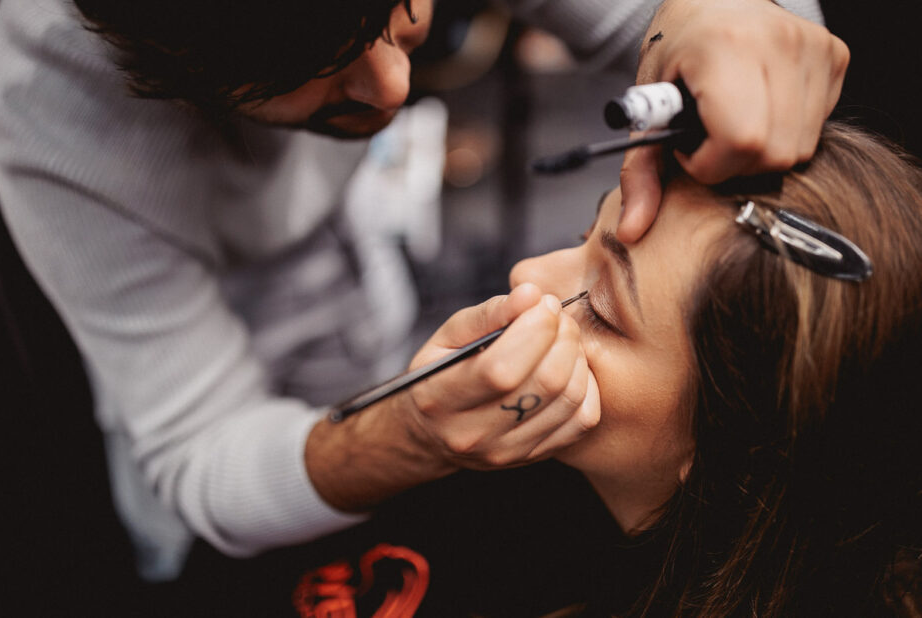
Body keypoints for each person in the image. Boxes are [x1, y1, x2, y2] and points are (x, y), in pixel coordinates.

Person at [0, 0, 846, 586]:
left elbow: (723, 39)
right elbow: (199, 455)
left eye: (398, 11)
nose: (394, 91)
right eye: (317, 72)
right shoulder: (52, 120)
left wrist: (732, 25)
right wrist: (405, 434)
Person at [289, 121, 922, 617]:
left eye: (600, 306)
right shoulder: (495, 477)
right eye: (587, 230)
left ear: (736, 453)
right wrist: (399, 437)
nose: (527, 276)